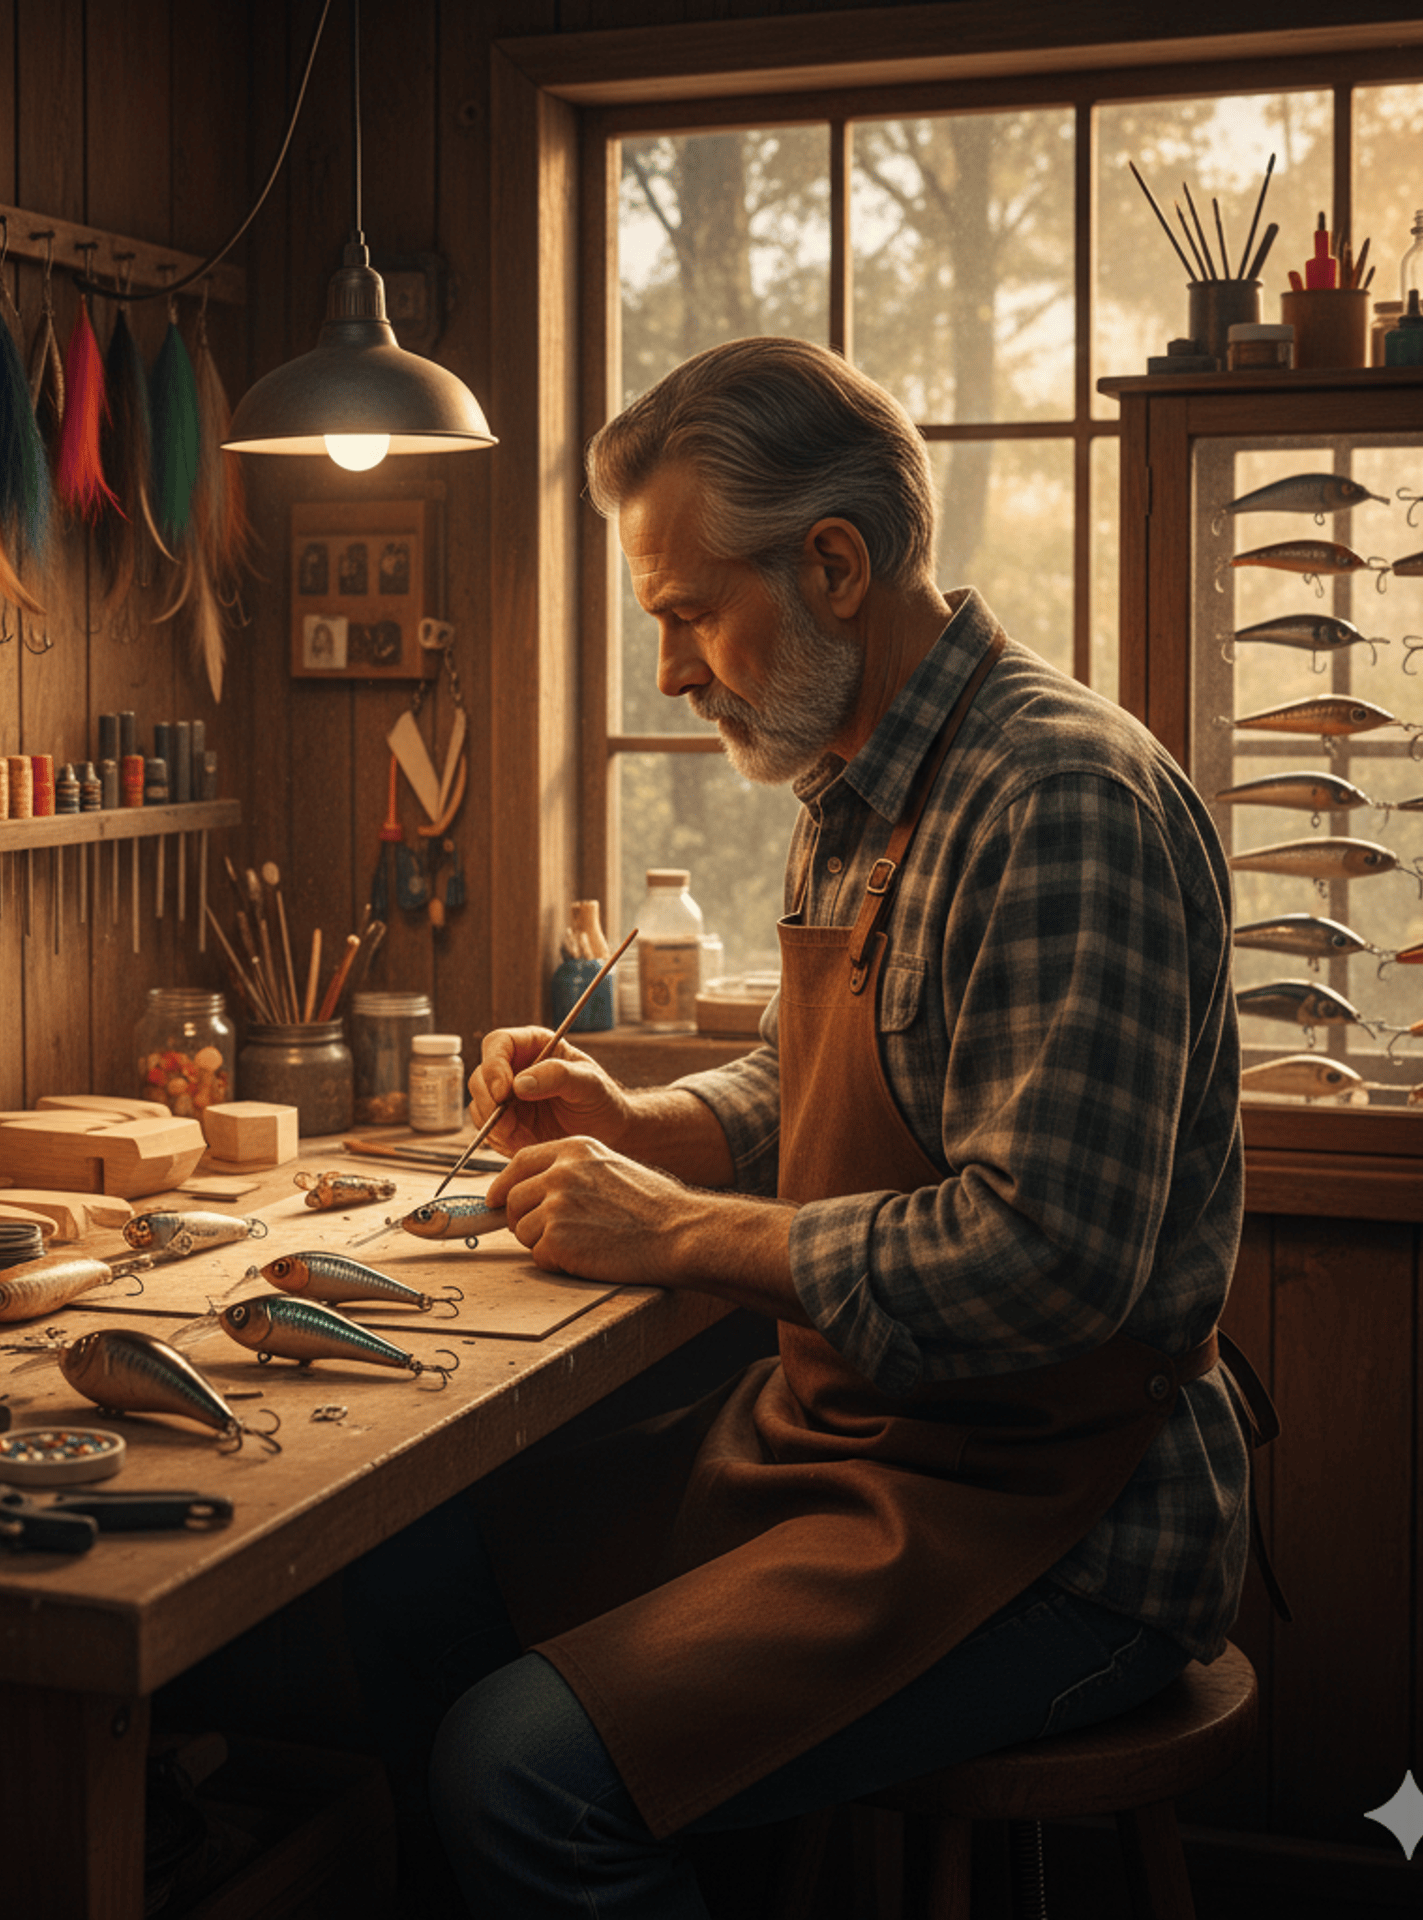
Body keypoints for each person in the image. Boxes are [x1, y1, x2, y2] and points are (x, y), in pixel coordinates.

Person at [345, 336, 1259, 1920]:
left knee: (516, 1776)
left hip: (1067, 1518)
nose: (673, 670)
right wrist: (647, 1121)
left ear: (833, 564)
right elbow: (810, 1086)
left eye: (692, 614)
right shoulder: (853, 786)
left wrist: (681, 1230)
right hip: (864, 1452)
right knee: (411, 1582)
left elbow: (1049, 1266)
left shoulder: (1056, 802)